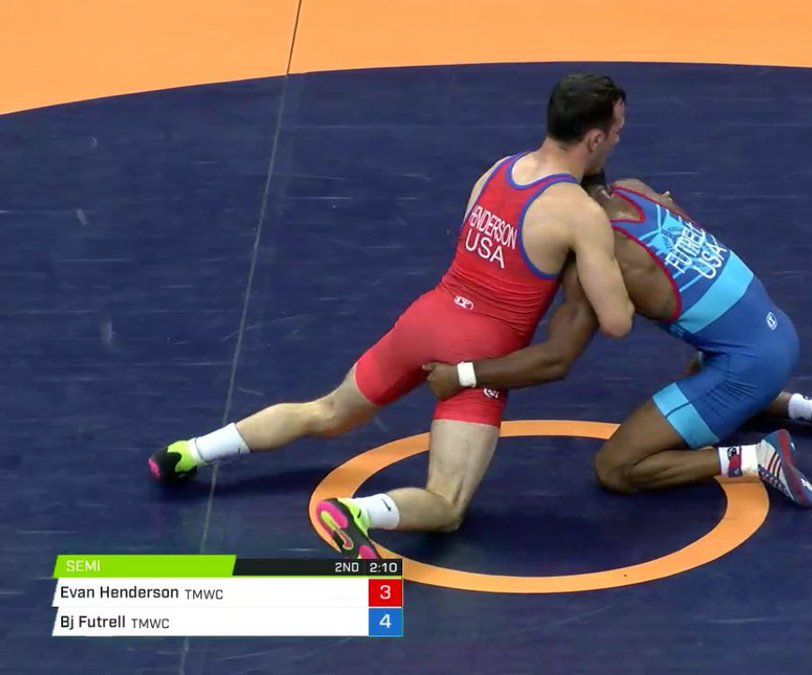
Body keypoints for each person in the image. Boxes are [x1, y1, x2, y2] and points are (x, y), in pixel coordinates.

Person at [149, 74, 635, 560]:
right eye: (616, 130)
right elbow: (616, 321)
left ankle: (191, 451)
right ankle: (358, 513)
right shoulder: (579, 214)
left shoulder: (498, 170)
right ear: (594, 139)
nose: (618, 138)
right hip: (478, 354)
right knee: (447, 505)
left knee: (327, 412)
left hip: (425, 320)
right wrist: (625, 254)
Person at [424, 174, 812, 507]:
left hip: (745, 368)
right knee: (707, 377)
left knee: (616, 468)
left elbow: (556, 360)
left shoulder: (600, 261)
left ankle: (756, 457)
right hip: (774, 332)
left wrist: (463, 375)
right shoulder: (638, 192)